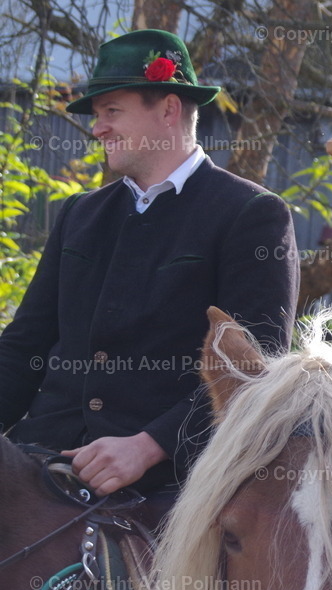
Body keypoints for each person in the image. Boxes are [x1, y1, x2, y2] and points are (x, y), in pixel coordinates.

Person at [0, 29, 299, 497]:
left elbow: (254, 369)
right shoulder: (81, 213)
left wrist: (148, 446)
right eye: (97, 115)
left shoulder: (250, 214)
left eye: (111, 111)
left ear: (168, 109)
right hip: (42, 463)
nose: (98, 128)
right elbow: (23, 347)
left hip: (166, 488)